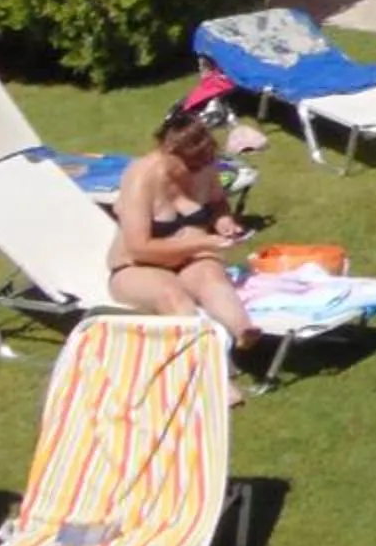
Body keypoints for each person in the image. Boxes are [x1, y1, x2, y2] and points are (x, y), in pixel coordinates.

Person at [109, 101, 262, 357]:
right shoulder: (140, 178)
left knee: (211, 277)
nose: (197, 171)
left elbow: (217, 202)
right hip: (136, 267)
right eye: (191, 166)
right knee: (173, 297)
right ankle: (211, 372)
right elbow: (139, 248)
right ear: (168, 152)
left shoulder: (204, 166)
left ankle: (243, 330)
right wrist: (203, 243)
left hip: (188, 260)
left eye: (203, 164)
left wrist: (223, 220)